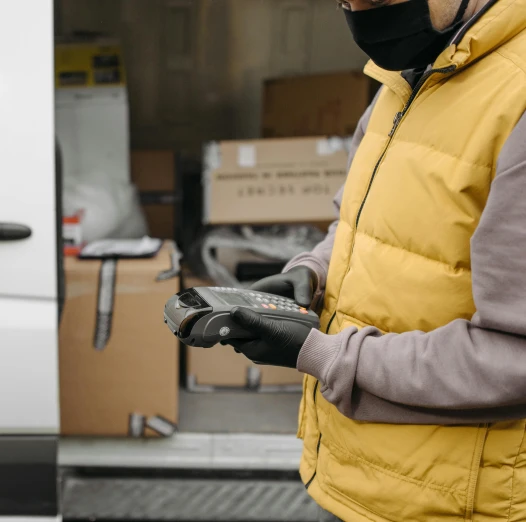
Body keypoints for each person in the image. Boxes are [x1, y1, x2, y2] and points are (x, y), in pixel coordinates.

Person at [224, 0, 526, 519]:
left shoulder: (515, 100)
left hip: (457, 504)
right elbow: (363, 223)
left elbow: (514, 357)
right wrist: (312, 271)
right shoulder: (410, 76)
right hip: (351, 482)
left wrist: (322, 356)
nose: (361, 13)